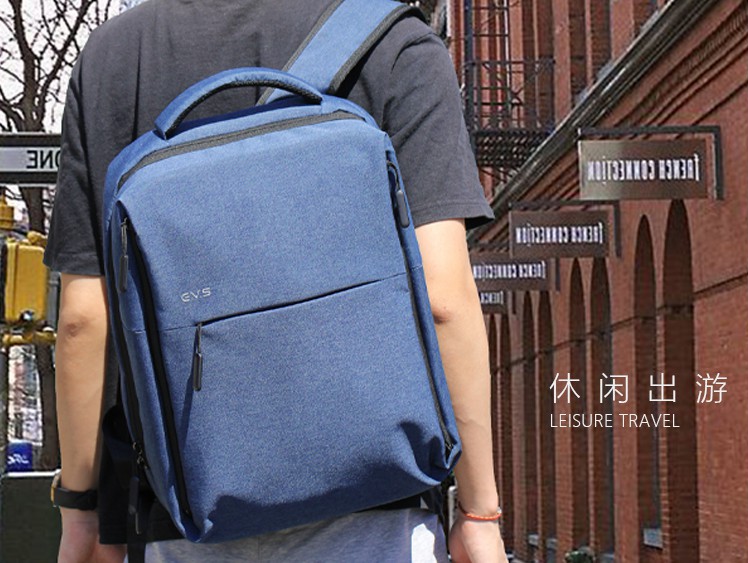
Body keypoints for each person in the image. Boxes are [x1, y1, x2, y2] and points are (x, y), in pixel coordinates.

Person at [44, 0, 509, 561]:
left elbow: (83, 321)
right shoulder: (394, 41)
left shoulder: (112, 55)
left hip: (186, 518)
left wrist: (82, 511)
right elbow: (443, 301)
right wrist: (479, 511)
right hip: (380, 509)